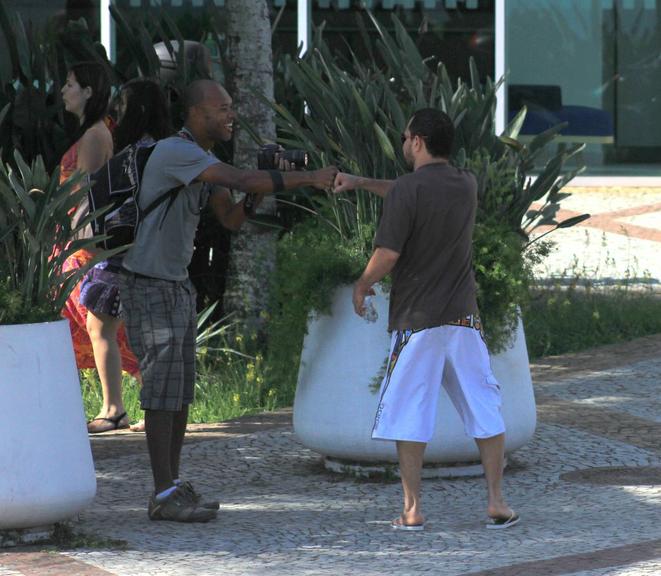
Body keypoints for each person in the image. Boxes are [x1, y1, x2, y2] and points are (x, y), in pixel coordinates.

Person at [120, 79, 337, 523]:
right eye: (222, 108)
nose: (231, 115)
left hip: (176, 284)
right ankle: (163, 493)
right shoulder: (175, 152)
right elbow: (240, 178)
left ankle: (173, 487)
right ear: (197, 113)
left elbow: (232, 217)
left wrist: (259, 191)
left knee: (178, 394)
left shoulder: (203, 160)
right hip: (149, 283)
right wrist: (309, 177)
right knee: (161, 393)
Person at [333, 108, 519, 531]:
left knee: (410, 414)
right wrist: (360, 183)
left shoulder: (408, 191)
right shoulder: (466, 184)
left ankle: (412, 509)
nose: (402, 144)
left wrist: (362, 284)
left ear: (416, 140)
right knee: (484, 408)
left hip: (417, 322)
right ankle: (496, 501)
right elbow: (409, 190)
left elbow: (388, 253)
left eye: (404, 137)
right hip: (463, 319)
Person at [79, 78, 173, 434]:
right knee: (140, 330)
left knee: (101, 323)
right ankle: (147, 405)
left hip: (125, 251)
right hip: (159, 251)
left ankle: (114, 407)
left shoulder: (134, 154)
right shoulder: (170, 149)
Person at [59, 61, 141, 433]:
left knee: (102, 324)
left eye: (71, 83)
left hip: (86, 247)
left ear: (89, 91)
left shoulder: (94, 136)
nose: (63, 90)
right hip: (80, 245)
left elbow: (85, 197)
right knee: (96, 325)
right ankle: (118, 405)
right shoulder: (94, 132)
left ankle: (117, 407)